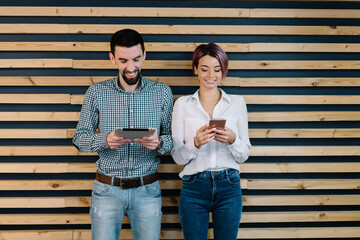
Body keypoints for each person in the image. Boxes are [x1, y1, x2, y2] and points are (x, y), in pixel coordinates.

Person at [73, 28, 173, 240]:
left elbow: (175, 139)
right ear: (112, 58)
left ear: (144, 55)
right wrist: (105, 140)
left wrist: (160, 142)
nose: (130, 67)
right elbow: (80, 138)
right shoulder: (96, 92)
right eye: (123, 60)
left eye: (136, 59)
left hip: (148, 190)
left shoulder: (162, 92)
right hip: (106, 190)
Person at [171, 43, 251, 240]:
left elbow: (244, 155)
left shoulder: (237, 103)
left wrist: (233, 140)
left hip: (229, 184)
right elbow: (177, 156)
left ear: (223, 71)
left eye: (217, 69)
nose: (211, 75)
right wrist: (195, 143)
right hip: (193, 184)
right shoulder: (182, 104)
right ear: (195, 69)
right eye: (204, 69)